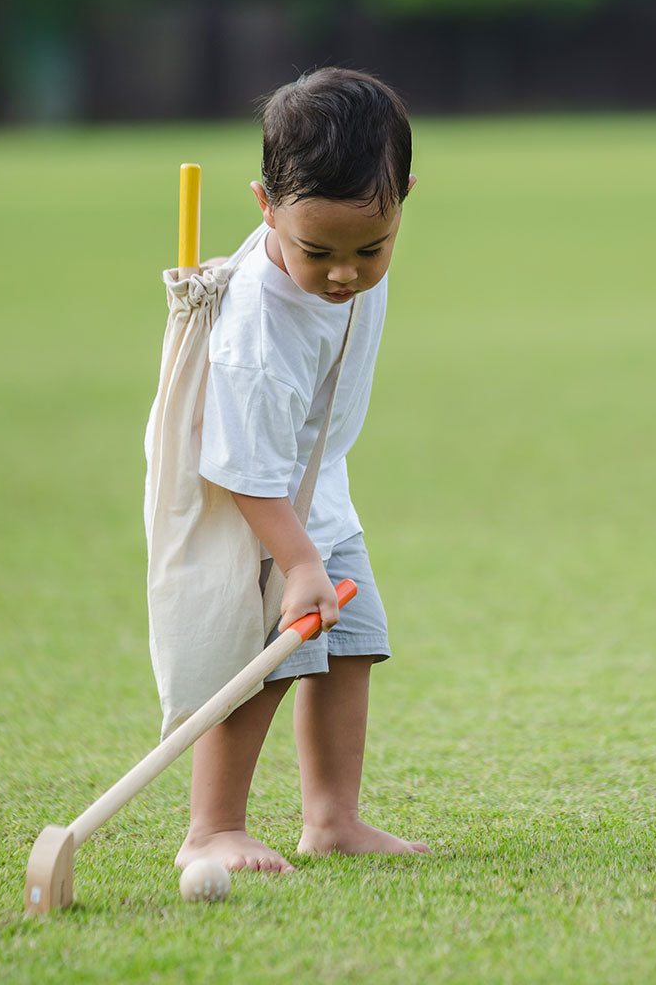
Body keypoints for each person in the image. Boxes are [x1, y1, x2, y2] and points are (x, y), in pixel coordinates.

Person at [176, 68, 431, 874]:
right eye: (316, 252)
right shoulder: (260, 331)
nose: (345, 273)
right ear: (266, 207)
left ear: (403, 201)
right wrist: (298, 563)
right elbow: (240, 468)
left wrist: (314, 552)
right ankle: (213, 828)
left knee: (351, 645)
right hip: (256, 503)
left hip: (316, 483)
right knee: (262, 662)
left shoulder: (337, 241)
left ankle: (331, 819)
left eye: (370, 249)